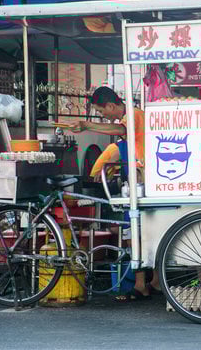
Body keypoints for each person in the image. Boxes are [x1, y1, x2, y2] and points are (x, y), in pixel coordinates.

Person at [67, 86, 160, 301]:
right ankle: (149, 282)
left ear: (110, 105)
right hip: (138, 180)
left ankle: (144, 283)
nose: (103, 116)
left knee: (135, 231)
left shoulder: (134, 115)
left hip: (143, 181)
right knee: (141, 231)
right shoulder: (131, 117)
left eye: (101, 111)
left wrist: (87, 125)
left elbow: (121, 132)